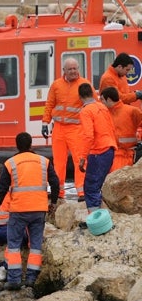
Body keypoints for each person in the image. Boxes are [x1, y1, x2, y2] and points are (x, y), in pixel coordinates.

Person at [0, 132, 60, 290]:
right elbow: (55, 182)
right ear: (31, 145)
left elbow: (2, 189)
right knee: (36, 245)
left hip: (19, 210)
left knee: (14, 245)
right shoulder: (44, 161)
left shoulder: (10, 163)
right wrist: (54, 202)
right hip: (39, 210)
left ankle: (14, 280)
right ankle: (31, 278)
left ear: (17, 146)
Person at [42, 57, 92, 202]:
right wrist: (45, 122)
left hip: (77, 128)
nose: (73, 71)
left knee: (80, 160)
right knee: (59, 162)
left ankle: (82, 192)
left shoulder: (84, 84)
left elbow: (93, 103)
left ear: (78, 69)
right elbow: (49, 104)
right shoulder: (56, 85)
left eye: (75, 68)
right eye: (70, 69)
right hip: (58, 128)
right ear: (64, 70)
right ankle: (59, 192)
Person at [78, 83, 117, 213]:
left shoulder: (86, 111)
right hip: (110, 149)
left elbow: (88, 136)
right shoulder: (102, 107)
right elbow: (112, 127)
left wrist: (83, 157)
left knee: (91, 187)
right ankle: (102, 215)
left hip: (98, 152)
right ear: (92, 93)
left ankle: (96, 220)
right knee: (98, 185)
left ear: (80, 97)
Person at [100, 87, 142, 172]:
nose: (101, 102)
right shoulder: (105, 113)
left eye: (102, 100)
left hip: (126, 154)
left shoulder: (131, 111)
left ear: (108, 99)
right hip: (110, 153)